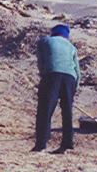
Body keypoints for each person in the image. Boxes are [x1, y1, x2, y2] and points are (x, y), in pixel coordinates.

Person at [33, 23, 81, 153]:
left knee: (45, 110)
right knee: (67, 112)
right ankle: (67, 144)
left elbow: (41, 61)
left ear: (53, 33)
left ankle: (41, 144)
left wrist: (44, 76)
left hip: (52, 75)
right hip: (70, 78)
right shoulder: (71, 47)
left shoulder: (45, 40)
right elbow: (78, 71)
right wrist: (74, 89)